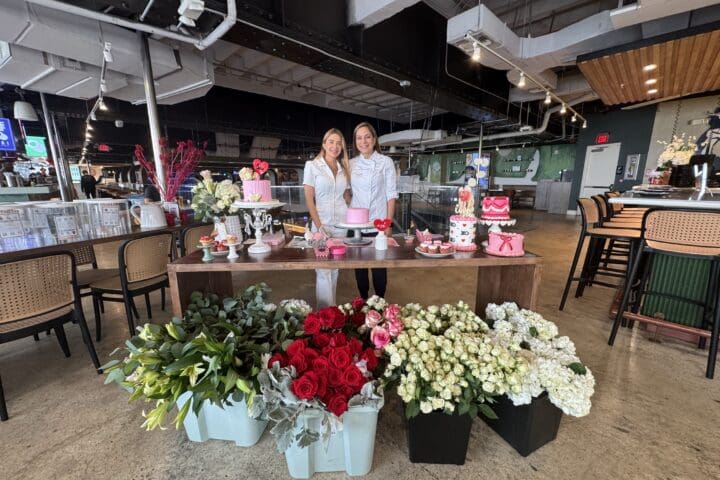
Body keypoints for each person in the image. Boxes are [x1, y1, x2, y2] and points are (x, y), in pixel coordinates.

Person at [348, 121, 398, 299]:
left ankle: (380, 302)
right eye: (359, 138)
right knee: (360, 269)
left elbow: (391, 195)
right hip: (356, 226)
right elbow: (347, 191)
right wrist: (351, 209)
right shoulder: (351, 164)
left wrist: (388, 223)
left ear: (374, 139)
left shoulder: (386, 162)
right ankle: (362, 300)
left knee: (379, 269)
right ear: (355, 142)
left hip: (379, 224)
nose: (363, 141)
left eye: (367, 137)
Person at [303, 128, 351, 308]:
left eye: (339, 143)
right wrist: (319, 225)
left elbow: (346, 197)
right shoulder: (312, 166)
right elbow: (309, 198)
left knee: (335, 269)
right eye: (331, 141)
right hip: (320, 224)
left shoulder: (343, 169)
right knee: (323, 270)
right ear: (324, 144)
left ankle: (332, 312)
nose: (335, 146)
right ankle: (324, 316)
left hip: (341, 224)